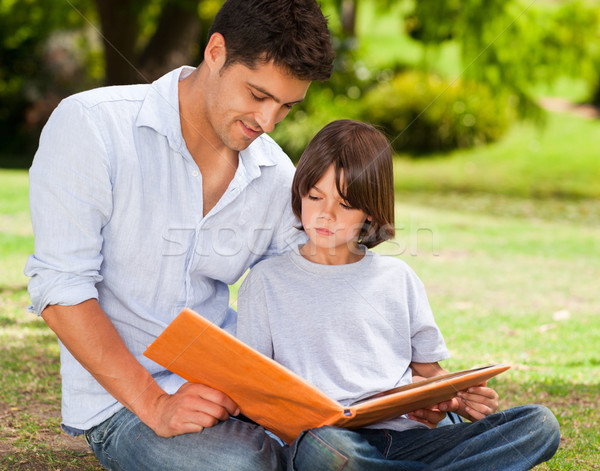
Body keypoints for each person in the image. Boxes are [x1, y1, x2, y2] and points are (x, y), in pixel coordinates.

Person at [24, 1, 334, 469]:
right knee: (242, 465)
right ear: (215, 52)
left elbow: (301, 294)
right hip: (126, 406)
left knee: (372, 437)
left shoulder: (273, 172)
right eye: (257, 94)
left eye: (286, 107)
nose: (267, 122)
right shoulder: (94, 126)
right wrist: (156, 405)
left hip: (234, 391)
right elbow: (61, 289)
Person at [236, 119, 561, 470]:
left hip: (408, 438)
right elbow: (255, 392)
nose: (324, 214)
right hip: (333, 441)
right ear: (299, 192)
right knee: (322, 448)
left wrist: (458, 400)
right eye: (314, 196)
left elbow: (430, 374)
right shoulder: (266, 281)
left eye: (344, 204)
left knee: (539, 425)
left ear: (370, 213)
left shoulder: (397, 278)